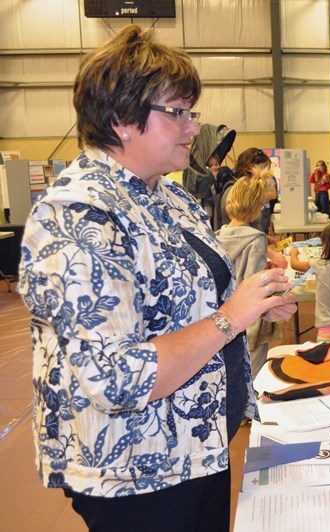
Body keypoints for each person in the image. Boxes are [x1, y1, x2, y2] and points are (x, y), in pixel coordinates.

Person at [16, 25, 297, 530]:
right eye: (178, 113)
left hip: (200, 446)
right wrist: (232, 318)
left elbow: (197, 297)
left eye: (193, 112)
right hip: (139, 471)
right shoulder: (78, 213)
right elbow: (118, 378)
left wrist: (256, 299)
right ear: (123, 118)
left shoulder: (171, 197)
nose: (193, 127)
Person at [217, 174, 289, 380]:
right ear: (256, 206)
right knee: (253, 377)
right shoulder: (256, 240)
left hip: (224, 315)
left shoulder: (216, 236)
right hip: (252, 321)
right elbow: (256, 284)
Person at [183, 122, 236, 227]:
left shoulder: (207, 172)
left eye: (217, 163)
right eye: (214, 162)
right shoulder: (193, 171)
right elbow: (196, 192)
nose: (216, 166)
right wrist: (209, 176)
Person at [219, 147, 274, 228]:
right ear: (251, 167)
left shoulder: (243, 189)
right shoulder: (235, 190)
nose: (265, 172)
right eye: (263, 167)